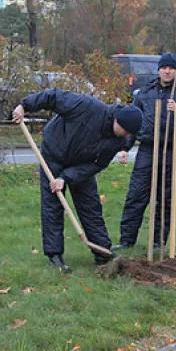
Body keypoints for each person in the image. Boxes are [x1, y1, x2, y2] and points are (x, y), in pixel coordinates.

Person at [12, 89, 143, 271]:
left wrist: (66, 177)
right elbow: (53, 97)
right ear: (117, 120)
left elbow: (97, 165)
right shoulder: (87, 107)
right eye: (125, 130)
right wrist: (25, 105)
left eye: (130, 134)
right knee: (53, 203)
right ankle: (54, 255)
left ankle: (102, 253)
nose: (126, 135)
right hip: (54, 154)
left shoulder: (119, 140)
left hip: (81, 165)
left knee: (90, 206)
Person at [114, 53, 176, 251]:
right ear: (159, 70)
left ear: (175, 70)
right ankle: (126, 240)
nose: (167, 71)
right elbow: (133, 120)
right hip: (147, 148)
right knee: (136, 194)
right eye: (164, 67)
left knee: (165, 197)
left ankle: (158, 242)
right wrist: (124, 147)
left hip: (172, 150)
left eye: (171, 68)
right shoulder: (145, 92)